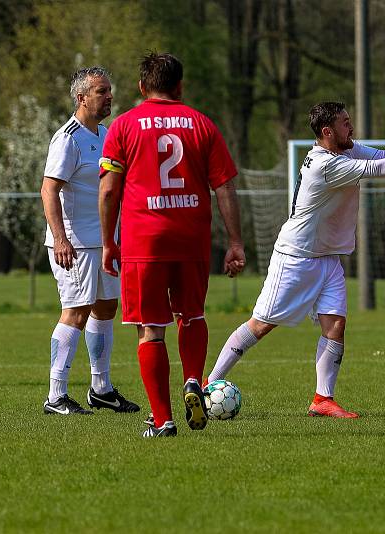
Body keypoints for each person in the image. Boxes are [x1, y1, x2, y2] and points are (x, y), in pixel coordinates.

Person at [206, 101, 385, 418]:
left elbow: (381, 156)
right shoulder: (325, 165)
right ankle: (209, 382)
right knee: (261, 325)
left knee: (335, 325)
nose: (350, 128)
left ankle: (323, 399)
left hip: (327, 259)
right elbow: (373, 169)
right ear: (327, 132)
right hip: (296, 258)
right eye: (345, 123)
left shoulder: (345, 150)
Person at [98, 52, 245, 438]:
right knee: (191, 316)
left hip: (144, 239)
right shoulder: (202, 124)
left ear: (142, 87)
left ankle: (162, 420)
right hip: (191, 236)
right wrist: (234, 241)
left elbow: (110, 189)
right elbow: (225, 186)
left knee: (151, 328)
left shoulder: (124, 126)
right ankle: (194, 379)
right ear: (180, 87)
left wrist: (107, 242)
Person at [41, 66, 140, 416]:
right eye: (101, 91)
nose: (109, 96)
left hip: (105, 242)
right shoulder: (67, 138)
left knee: (105, 309)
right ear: (81, 97)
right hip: (76, 243)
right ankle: (55, 396)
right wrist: (60, 238)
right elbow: (49, 189)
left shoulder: (108, 133)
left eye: (109, 90)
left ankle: (101, 388)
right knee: (76, 312)